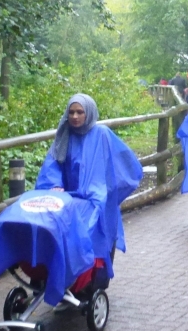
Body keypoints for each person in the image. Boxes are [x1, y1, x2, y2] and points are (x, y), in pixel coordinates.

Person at [35, 94, 144, 276]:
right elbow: (52, 166)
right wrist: (54, 185)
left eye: (80, 112)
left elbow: (126, 166)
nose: (75, 117)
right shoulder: (64, 137)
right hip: (69, 201)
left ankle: (92, 281)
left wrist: (109, 192)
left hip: (97, 202)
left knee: (95, 239)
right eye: (71, 112)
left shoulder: (102, 135)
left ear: (89, 113)